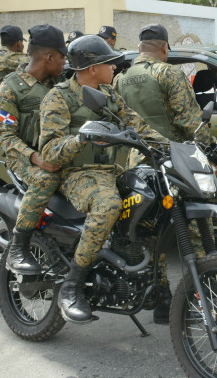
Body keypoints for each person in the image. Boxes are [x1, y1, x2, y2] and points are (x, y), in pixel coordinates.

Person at [39, 34, 167, 323]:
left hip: (111, 171)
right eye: (110, 63)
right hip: (77, 174)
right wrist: (81, 139)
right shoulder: (58, 97)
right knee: (108, 205)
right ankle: (72, 286)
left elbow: (138, 125)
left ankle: (158, 290)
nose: (115, 68)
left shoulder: (108, 94)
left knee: (154, 207)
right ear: (93, 68)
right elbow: (49, 151)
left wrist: (174, 148)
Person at [113, 23, 217, 324]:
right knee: (196, 230)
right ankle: (203, 300)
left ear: (140, 48)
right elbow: (190, 121)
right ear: (164, 48)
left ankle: (160, 302)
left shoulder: (120, 79)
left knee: (150, 235)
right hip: (172, 163)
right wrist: (211, 153)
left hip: (136, 165)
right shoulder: (168, 73)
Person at [0, 25, 67, 275]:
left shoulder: (59, 84)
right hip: (25, 157)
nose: (65, 62)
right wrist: (36, 158)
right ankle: (19, 246)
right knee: (46, 179)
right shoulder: (9, 90)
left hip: (56, 151)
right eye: (62, 57)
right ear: (50, 57)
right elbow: (5, 136)